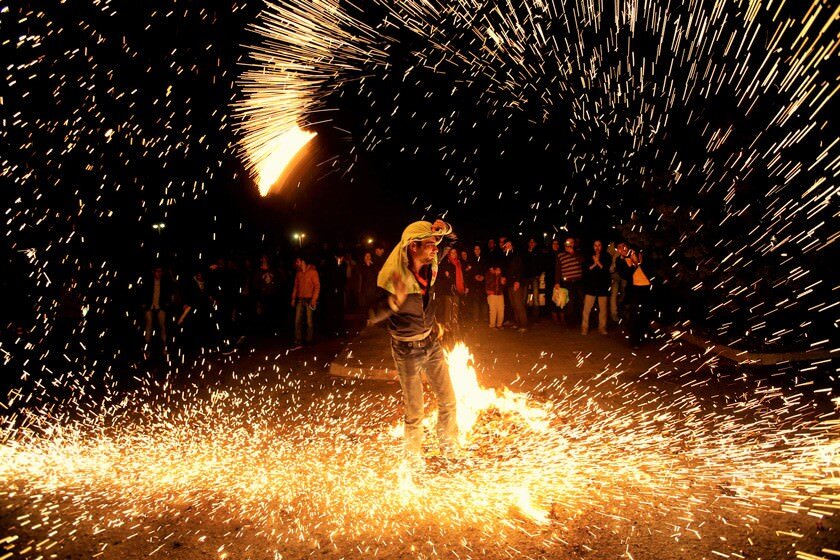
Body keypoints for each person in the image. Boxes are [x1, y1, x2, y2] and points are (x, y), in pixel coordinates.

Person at [368, 219, 459, 471]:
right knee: (415, 412)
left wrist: (444, 229)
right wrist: (393, 302)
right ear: (412, 246)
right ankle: (413, 462)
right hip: (406, 350)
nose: (434, 249)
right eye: (429, 245)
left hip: (431, 343)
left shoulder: (431, 263)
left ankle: (450, 448)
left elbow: (451, 240)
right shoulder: (392, 276)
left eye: (434, 245)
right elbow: (372, 315)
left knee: (449, 401)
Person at [615, 241, 652, 349]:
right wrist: (635, 264)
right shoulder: (619, 261)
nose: (622, 249)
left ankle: (643, 334)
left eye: (624, 246)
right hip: (635, 289)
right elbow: (625, 275)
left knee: (646, 313)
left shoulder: (638, 254)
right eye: (619, 247)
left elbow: (649, 269)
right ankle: (635, 341)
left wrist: (640, 261)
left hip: (647, 287)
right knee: (634, 315)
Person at [581, 240, 611, 335]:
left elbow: (606, 270)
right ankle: (584, 328)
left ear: (602, 246)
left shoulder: (607, 256)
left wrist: (598, 262)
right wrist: (594, 263)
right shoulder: (588, 256)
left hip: (603, 286)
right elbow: (586, 270)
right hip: (591, 286)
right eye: (595, 245)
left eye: (599, 245)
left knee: (603, 310)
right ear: (592, 246)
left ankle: (602, 328)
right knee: (587, 309)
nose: (597, 247)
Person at [290, 255, 320, 346]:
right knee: (297, 320)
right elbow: (296, 286)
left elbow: (317, 286)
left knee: (309, 321)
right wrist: (293, 298)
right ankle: (298, 340)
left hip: (309, 300)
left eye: (298, 261)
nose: (296, 263)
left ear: (303, 262)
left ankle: (309, 340)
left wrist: (314, 300)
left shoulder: (312, 272)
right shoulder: (298, 273)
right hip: (300, 299)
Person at [555, 237, 584, 327]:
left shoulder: (578, 252)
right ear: (564, 243)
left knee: (580, 301)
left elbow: (582, 261)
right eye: (568, 242)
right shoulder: (560, 255)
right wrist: (557, 282)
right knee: (570, 303)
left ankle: (580, 321)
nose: (570, 244)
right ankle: (570, 323)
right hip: (568, 282)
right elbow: (558, 270)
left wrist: (573, 253)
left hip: (579, 281)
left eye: (572, 242)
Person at [502, 239, 528, 332]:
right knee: (513, 304)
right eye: (506, 245)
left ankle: (524, 325)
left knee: (518, 304)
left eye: (509, 244)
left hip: (516, 283)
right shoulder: (506, 256)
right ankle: (517, 323)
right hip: (509, 283)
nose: (507, 246)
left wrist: (517, 281)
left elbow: (520, 268)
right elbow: (505, 269)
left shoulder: (516, 255)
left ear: (512, 245)